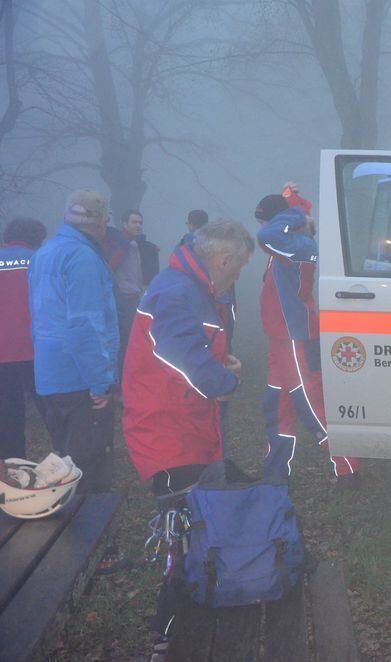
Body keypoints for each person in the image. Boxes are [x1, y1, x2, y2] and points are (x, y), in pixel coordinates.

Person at [121, 219, 251, 658]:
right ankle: (169, 639)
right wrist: (224, 381)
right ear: (223, 260)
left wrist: (220, 362)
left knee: (196, 531)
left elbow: (189, 351)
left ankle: (189, 627)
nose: (238, 278)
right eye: (238, 269)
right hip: (169, 431)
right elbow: (178, 355)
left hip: (186, 427)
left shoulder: (188, 285)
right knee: (184, 538)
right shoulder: (179, 291)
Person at [256, 192, 360, 483]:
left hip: (295, 338)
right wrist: (292, 203)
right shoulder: (287, 245)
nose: (263, 224)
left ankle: (348, 467)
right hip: (279, 339)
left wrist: (295, 212)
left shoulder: (298, 245)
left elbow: (266, 234)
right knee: (278, 405)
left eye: (268, 219)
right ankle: (275, 472)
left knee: (311, 405)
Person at [29, 190, 119, 494]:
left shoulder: (44, 252)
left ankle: (65, 532)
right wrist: (101, 383)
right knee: (88, 471)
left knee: (66, 464)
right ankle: (85, 537)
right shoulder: (83, 258)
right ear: (102, 221)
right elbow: (85, 327)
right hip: (79, 380)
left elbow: (37, 319)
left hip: (49, 376)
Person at [0, 217, 48, 460]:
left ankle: (14, 468)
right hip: (34, 349)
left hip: (1, 353)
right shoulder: (38, 260)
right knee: (51, 412)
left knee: (8, 417)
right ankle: (68, 463)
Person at [106, 209, 160, 355]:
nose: (138, 225)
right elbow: (110, 267)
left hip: (135, 298)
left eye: (140, 222)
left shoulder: (136, 244)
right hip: (123, 299)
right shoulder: (119, 244)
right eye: (134, 222)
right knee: (127, 341)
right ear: (124, 223)